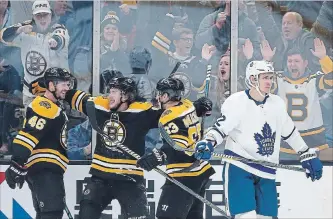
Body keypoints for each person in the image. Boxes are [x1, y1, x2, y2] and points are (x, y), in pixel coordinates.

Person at [64, 76, 212, 219]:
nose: (109, 95)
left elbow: (173, 111)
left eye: (114, 92)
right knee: (86, 214)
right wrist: (56, 90)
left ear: (126, 95)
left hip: (130, 178)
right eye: (110, 91)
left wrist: (195, 107)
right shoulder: (99, 105)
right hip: (100, 177)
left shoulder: (143, 111)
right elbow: (74, 97)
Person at [194, 60, 323, 218]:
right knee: (245, 216)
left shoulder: (277, 103)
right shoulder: (237, 102)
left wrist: (305, 153)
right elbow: (220, 128)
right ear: (253, 79)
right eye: (265, 78)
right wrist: (208, 142)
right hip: (239, 167)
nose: (269, 81)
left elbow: (290, 133)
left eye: (271, 77)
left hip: (267, 171)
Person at [137, 77, 215, 219]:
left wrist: (156, 157)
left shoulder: (167, 117)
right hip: (200, 172)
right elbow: (189, 114)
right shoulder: (186, 104)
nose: (157, 97)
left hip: (184, 174)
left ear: (166, 96)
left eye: (160, 93)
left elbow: (178, 146)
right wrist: (200, 106)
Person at [5, 67, 75, 219]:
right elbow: (29, 135)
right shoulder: (45, 106)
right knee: (52, 213)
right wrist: (17, 162)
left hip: (45, 170)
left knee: (45, 214)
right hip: (45, 170)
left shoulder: (53, 107)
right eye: (63, 84)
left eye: (68, 84)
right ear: (50, 85)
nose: (67, 88)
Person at [0, 0, 69, 107]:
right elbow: (3, 36)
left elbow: (61, 38)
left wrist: (55, 41)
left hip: (54, 93)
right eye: (38, 16)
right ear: (33, 16)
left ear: (50, 15)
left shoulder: (58, 28)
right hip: (31, 93)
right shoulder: (26, 28)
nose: (42, 19)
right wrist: (19, 30)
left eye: (45, 15)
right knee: (31, 122)